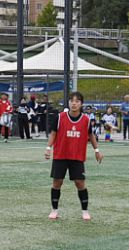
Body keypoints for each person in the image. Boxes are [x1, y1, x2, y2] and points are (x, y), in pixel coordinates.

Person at [44, 91, 103, 222]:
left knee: (80, 183)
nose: (74, 103)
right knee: (57, 182)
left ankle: (85, 211)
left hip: (77, 156)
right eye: (72, 101)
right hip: (60, 155)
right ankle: (54, 210)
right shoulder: (60, 117)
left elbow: (91, 135)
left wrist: (97, 150)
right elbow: (53, 134)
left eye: (77, 101)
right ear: (69, 103)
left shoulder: (86, 120)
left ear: (81, 104)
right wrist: (48, 148)